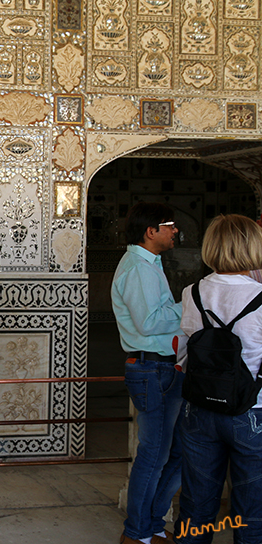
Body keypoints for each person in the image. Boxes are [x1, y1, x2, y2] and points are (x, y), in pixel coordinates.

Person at [174, 214, 262, 544]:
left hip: (199, 411)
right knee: (252, 513)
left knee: (196, 507)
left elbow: (183, 356)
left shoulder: (192, 292)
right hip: (252, 412)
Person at [111, 202, 183, 544]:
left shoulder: (149, 264)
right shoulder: (139, 268)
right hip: (150, 368)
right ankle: (136, 533)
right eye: (169, 225)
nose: (175, 231)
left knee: (173, 452)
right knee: (154, 454)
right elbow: (149, 322)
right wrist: (195, 303)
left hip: (163, 367)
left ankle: (152, 525)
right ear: (149, 231)